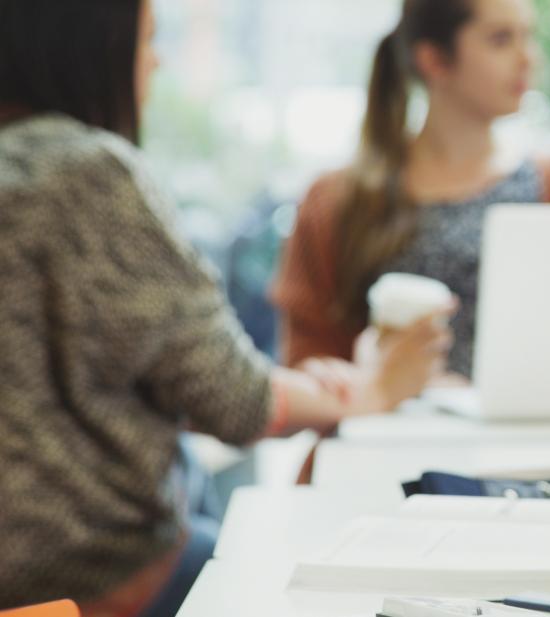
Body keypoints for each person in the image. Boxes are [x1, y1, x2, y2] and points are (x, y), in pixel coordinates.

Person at [0, 0, 453, 614]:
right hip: (88, 575)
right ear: (83, 46)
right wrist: (370, 389)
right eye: (147, 39)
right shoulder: (83, 173)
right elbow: (232, 400)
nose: (155, 61)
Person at [271, 0, 550, 378]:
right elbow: (307, 365)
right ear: (434, 60)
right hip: (387, 431)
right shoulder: (337, 199)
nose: (528, 57)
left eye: (528, 36)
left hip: (537, 431)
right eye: (501, 40)